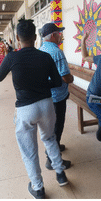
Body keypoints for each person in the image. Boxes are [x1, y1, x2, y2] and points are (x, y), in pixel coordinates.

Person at [0, 19, 70, 199]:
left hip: (25, 109)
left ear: (18, 38)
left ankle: (38, 188)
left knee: (29, 150)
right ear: (36, 37)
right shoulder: (46, 56)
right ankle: (60, 173)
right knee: (50, 138)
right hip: (46, 105)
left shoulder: (12, 57)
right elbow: (58, 81)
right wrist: (42, 83)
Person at [39, 23, 74, 166]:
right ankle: (51, 160)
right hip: (58, 97)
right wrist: (71, 79)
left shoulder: (41, 50)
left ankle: (55, 147)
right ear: (54, 35)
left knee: (51, 126)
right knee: (57, 126)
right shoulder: (56, 52)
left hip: (47, 96)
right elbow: (65, 76)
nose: (61, 36)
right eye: (59, 33)